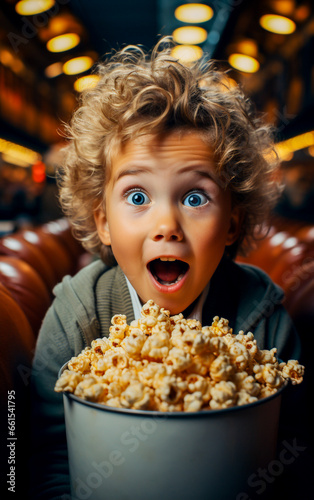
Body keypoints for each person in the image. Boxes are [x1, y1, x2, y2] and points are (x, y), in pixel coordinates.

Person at [30, 38, 301, 499]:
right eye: (138, 198)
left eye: (195, 198)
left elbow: (295, 458)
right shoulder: (77, 316)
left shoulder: (266, 321)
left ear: (233, 222)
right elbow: (40, 458)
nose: (166, 225)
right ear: (104, 222)